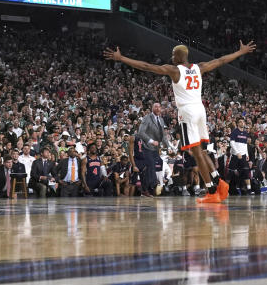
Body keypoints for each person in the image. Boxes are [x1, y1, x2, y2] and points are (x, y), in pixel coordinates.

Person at [104, 40, 256, 204]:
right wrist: (240, 52)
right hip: (200, 109)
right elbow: (221, 61)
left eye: (173, 54)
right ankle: (219, 182)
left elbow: (146, 66)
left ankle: (211, 190)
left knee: (196, 153)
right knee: (202, 151)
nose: (170, 57)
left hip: (187, 112)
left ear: (178, 57)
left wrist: (122, 58)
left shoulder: (175, 70)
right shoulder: (199, 67)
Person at [132, 102, 168, 197]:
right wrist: (151, 141)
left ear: (161, 109)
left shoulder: (161, 119)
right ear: (152, 108)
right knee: (151, 165)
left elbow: (163, 135)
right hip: (146, 147)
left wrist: (168, 146)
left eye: (159, 107)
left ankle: (148, 188)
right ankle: (150, 187)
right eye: (155, 107)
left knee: (154, 166)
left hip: (155, 149)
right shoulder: (147, 118)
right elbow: (140, 132)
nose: (157, 108)